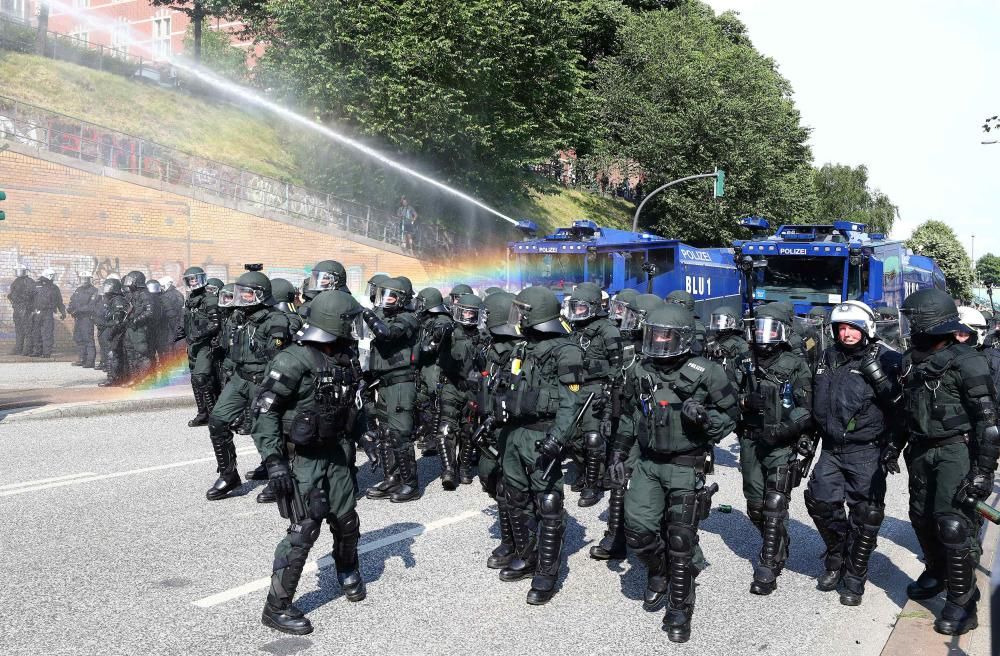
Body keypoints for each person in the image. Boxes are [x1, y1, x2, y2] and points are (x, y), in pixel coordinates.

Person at [253, 291, 367, 635]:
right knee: (304, 530)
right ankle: (277, 606)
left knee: (347, 521)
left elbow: (355, 403)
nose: (355, 328)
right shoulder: (292, 360)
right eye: (350, 321)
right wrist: (273, 461)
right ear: (335, 323)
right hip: (302, 458)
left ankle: (347, 569)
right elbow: (264, 413)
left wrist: (366, 434)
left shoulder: (345, 357)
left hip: (336, 453)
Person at [622, 304, 738, 642]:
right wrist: (619, 455)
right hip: (647, 462)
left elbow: (730, 415)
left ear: (683, 338)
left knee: (680, 538)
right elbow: (629, 418)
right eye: (654, 333)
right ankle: (659, 572)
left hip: (686, 463)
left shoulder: (708, 372)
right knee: (639, 532)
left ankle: (680, 606)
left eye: (665, 334)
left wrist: (704, 420)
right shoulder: (640, 370)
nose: (658, 340)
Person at [898, 288, 998, 635]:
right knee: (921, 517)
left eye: (915, 320)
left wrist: (984, 471)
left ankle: (962, 601)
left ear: (933, 322)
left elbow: (989, 423)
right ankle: (936, 572)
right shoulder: (912, 360)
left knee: (954, 526)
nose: (910, 327)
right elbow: (905, 411)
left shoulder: (967, 360)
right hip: (921, 450)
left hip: (957, 450)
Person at [805, 301, 902, 606]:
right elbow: (814, 399)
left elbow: (902, 409)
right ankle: (836, 556)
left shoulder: (888, 359)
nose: (846, 334)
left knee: (866, 515)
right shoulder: (827, 356)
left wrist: (893, 447)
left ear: (867, 329)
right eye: (841, 328)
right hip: (832, 448)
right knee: (820, 503)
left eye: (853, 328)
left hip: (866, 451)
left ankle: (855, 576)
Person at [495, 286, 585, 605]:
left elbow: (571, 402)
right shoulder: (524, 348)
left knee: (548, 502)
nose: (518, 316)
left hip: (542, 434)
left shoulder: (567, 351)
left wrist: (558, 439)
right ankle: (527, 554)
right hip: (517, 432)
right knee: (514, 496)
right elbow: (514, 383)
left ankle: (547, 571)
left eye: (523, 310)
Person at [738, 301, 814, 596]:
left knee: (774, 504)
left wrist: (785, 430)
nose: (763, 335)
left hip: (781, 442)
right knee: (755, 505)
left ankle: (769, 564)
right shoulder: (745, 360)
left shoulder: (795, 364)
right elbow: (725, 396)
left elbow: (806, 409)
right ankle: (779, 540)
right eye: (759, 328)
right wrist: (745, 402)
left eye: (771, 329)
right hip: (750, 438)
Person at [590, 292, 664, 561]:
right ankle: (615, 537)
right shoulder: (626, 347)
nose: (627, 320)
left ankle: (659, 544)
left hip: (658, 430)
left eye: (634, 316)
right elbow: (615, 385)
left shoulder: (664, 354)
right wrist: (610, 415)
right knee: (618, 477)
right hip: (628, 422)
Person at [205, 271, 291, 502]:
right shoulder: (237, 317)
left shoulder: (275, 320)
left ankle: (279, 479)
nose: (241, 298)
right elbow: (232, 348)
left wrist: (272, 387)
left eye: (247, 294)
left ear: (260, 295)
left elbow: (280, 357)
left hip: (263, 381)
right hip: (240, 379)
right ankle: (228, 474)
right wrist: (229, 372)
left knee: (265, 432)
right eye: (240, 293)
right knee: (218, 421)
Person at [361, 277, 422, 502]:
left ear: (403, 299)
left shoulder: (408, 318)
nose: (386, 300)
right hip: (385, 383)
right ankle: (392, 477)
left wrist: (366, 313)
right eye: (384, 295)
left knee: (399, 434)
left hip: (401, 384)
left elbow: (388, 334)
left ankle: (410, 484)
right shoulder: (387, 316)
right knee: (386, 434)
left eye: (392, 296)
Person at [564, 282, 622, 508]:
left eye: (580, 307)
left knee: (593, 438)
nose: (576, 311)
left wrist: (608, 392)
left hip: (596, 388)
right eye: (575, 306)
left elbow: (617, 365)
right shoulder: (572, 327)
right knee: (572, 437)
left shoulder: (608, 330)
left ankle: (593, 483)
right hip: (574, 387)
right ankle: (583, 471)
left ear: (594, 306)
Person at [474, 291, 521, 568]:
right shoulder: (491, 349)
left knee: (511, 487)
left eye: (487, 315)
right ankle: (509, 538)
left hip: (510, 428)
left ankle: (517, 543)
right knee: (490, 477)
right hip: (490, 425)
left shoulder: (517, 351)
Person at [178, 267, 221, 428]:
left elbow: (216, 324)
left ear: (201, 279)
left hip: (206, 345)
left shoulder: (209, 299)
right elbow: (187, 321)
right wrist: (179, 335)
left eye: (195, 279)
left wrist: (201, 334)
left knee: (201, 378)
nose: (193, 282)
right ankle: (202, 414)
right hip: (193, 345)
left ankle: (214, 415)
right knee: (195, 381)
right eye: (190, 280)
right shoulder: (190, 299)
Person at [121, 271, 154, 381]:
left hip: (140, 329)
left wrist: (136, 320)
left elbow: (149, 312)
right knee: (131, 354)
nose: (128, 283)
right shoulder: (133, 295)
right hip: (131, 328)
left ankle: (145, 380)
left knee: (141, 354)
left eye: (131, 280)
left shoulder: (144, 294)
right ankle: (135, 378)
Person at [96, 278, 130, 387]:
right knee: (113, 355)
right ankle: (115, 378)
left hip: (117, 333)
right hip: (114, 332)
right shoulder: (113, 300)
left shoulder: (118, 300)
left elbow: (118, 320)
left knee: (113, 355)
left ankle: (113, 379)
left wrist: (111, 332)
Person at [27, 269, 66, 358]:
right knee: (36, 332)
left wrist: (62, 312)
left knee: (47, 333)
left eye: (53, 275)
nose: (53, 277)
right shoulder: (36, 285)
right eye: (51, 275)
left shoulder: (54, 287)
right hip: (37, 312)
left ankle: (46, 352)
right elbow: (29, 298)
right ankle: (37, 351)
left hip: (48, 312)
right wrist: (31, 310)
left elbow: (59, 301)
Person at [67, 271, 100, 368]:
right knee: (78, 338)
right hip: (78, 318)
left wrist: (77, 310)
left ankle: (90, 361)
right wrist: (70, 308)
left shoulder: (94, 290)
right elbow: (72, 300)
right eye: (82, 278)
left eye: (86, 278)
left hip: (87, 318)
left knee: (88, 339)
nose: (84, 280)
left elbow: (91, 306)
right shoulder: (78, 290)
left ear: (90, 279)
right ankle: (82, 359)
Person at [8, 266, 34, 355]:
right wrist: (11, 297)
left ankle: (27, 350)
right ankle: (18, 349)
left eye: (18, 270)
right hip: (17, 309)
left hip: (25, 309)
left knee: (27, 330)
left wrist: (23, 300)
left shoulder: (29, 281)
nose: (17, 272)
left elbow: (32, 294)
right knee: (19, 330)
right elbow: (12, 294)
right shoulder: (16, 281)